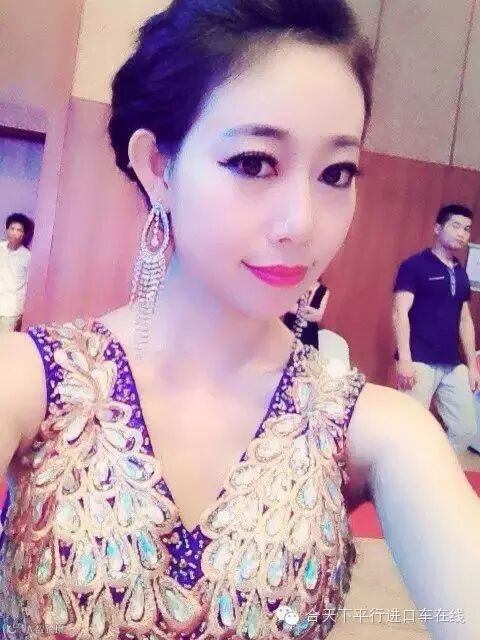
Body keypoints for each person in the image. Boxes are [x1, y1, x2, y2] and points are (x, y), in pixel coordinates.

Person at [0, 2, 479, 639]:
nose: (301, 224)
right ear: (158, 167)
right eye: (254, 162)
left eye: (336, 173)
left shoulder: (376, 429)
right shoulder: (31, 382)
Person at [393, 204, 480, 453]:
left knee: (465, 429)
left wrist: (472, 366)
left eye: (467, 229)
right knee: (410, 428)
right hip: (419, 361)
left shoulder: (461, 274)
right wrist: (405, 359)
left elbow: (465, 320)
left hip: (452, 364)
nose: (462, 233)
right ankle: (400, 473)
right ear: (438, 228)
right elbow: (399, 312)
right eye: (456, 226)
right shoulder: (414, 265)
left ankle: (434, 468)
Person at [0, 213, 32, 333]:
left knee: (5, 342)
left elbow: (30, 284)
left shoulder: (28, 256)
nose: (14, 233)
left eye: (19, 230)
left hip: (11, 311)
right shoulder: (1, 247)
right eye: (12, 229)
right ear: (7, 230)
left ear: (24, 234)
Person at [282, 280, 330, 347]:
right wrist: (312, 311)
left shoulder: (324, 290)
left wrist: (302, 310)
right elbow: (289, 306)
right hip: (290, 324)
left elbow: (318, 317)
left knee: (306, 349)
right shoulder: (297, 283)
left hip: (309, 331)